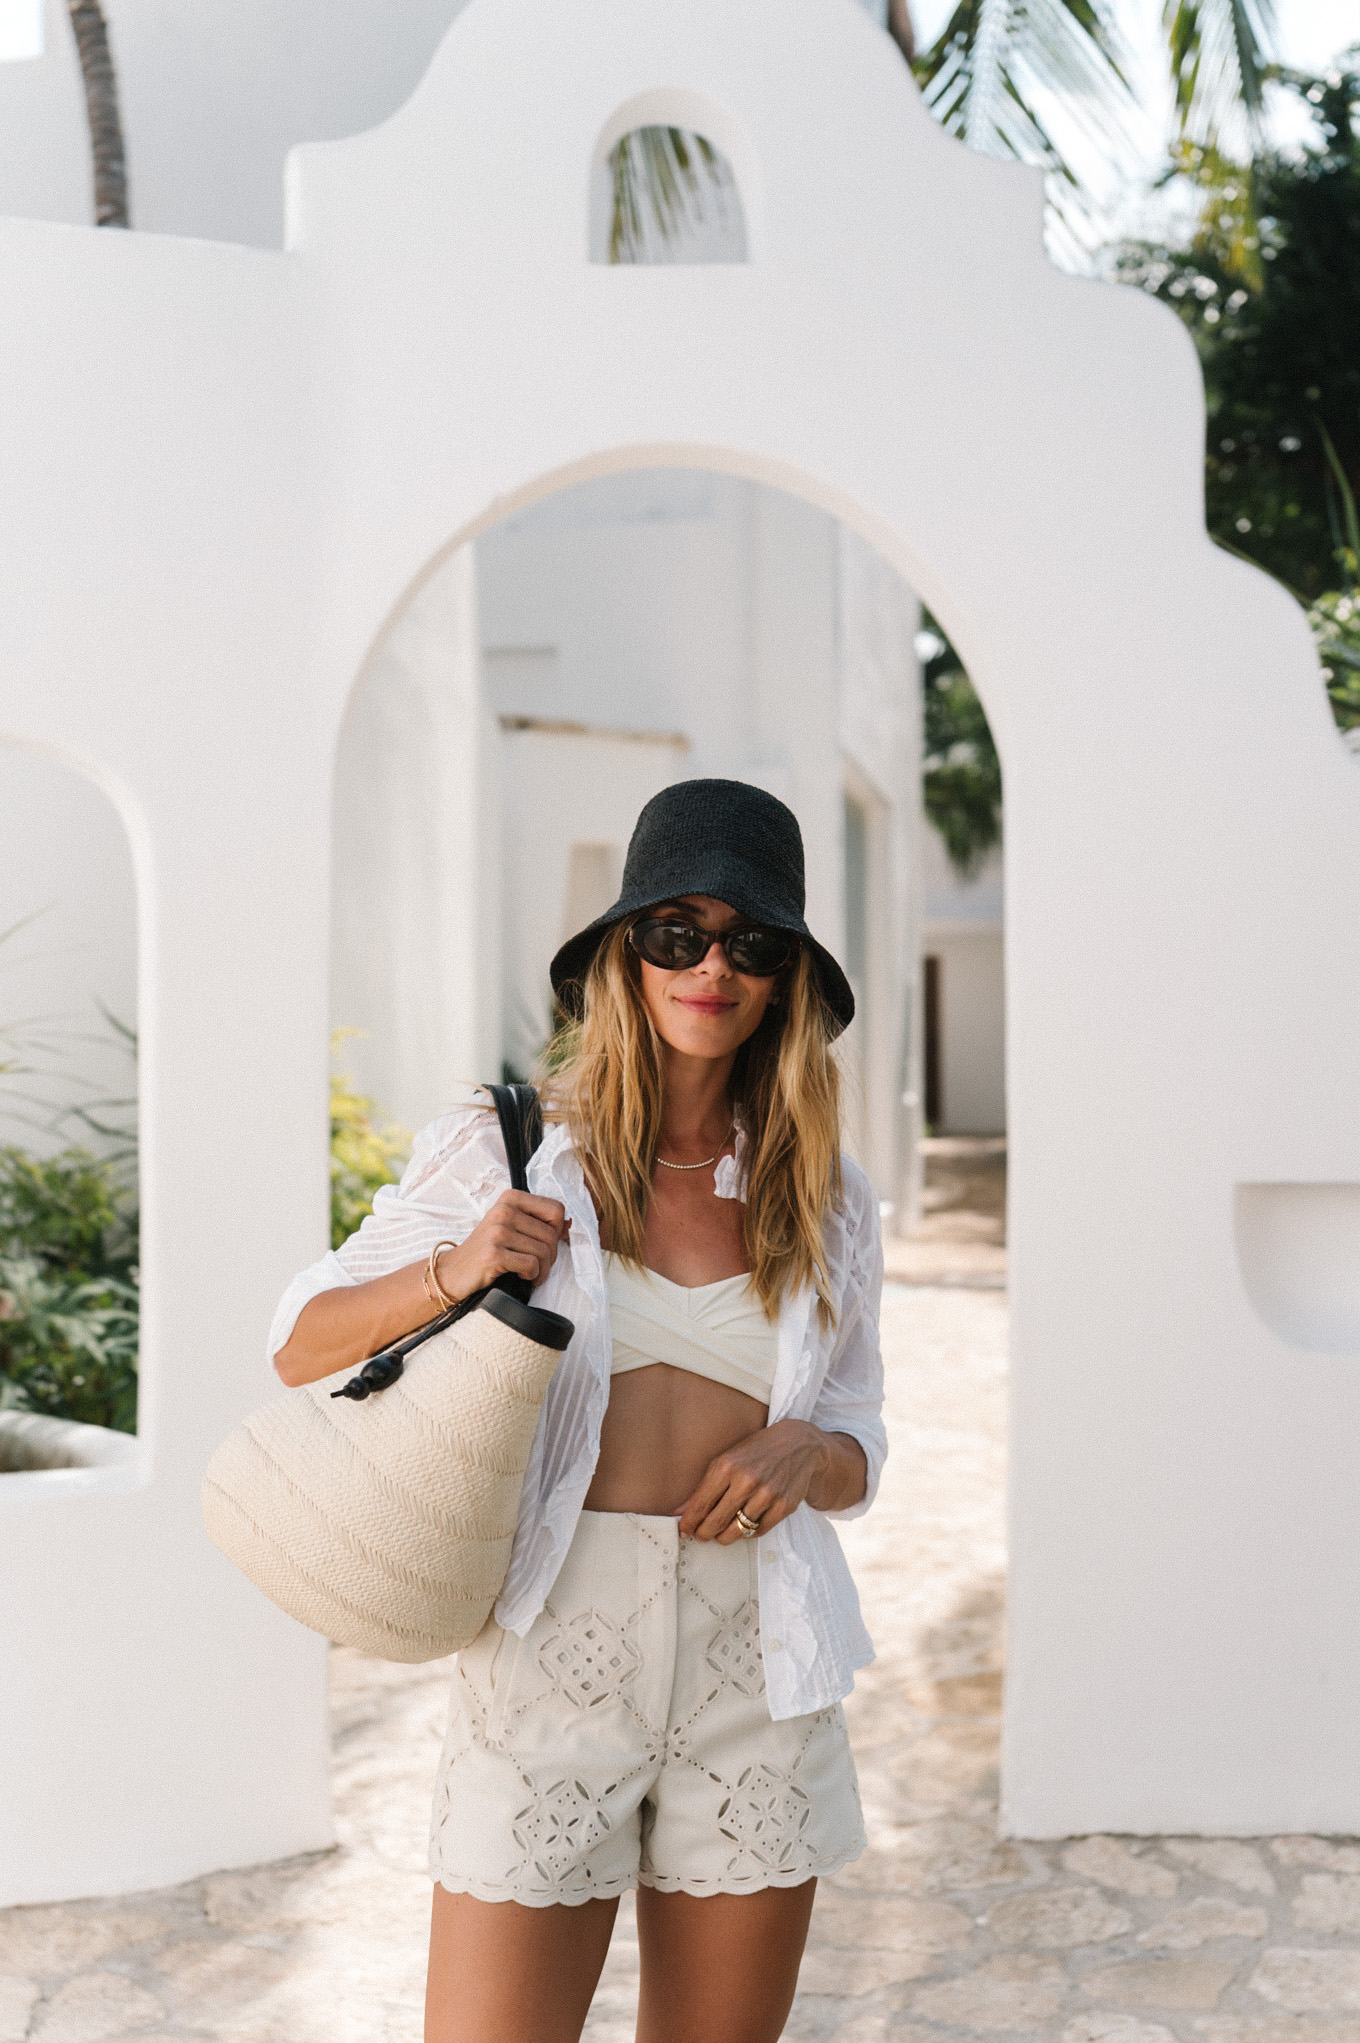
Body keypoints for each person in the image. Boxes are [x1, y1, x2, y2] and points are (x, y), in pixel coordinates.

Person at [269, 779, 886, 2043]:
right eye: (678, 932)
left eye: (751, 944)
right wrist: (459, 1264)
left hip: (757, 1659)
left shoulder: (823, 1195)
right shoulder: (506, 1149)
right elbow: (296, 1343)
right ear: (627, 952)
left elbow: (863, 1440)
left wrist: (808, 1449)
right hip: (554, 1646)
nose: (711, 965)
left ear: (784, 982)